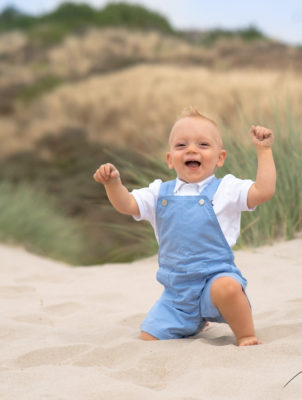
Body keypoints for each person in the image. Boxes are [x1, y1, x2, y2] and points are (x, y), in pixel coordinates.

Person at [93, 107, 276, 346]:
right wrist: (113, 184)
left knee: (229, 288)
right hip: (177, 293)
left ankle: (246, 334)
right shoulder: (159, 192)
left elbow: (263, 191)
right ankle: (195, 322)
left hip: (215, 282)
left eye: (203, 145)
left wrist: (264, 151)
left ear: (220, 158)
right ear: (170, 159)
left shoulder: (226, 189)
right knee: (148, 337)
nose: (191, 149)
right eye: (181, 146)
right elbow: (127, 204)